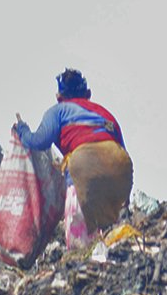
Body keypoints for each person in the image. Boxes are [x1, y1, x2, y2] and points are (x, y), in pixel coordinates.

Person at [15, 69, 133, 237]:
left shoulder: (59, 111)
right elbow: (122, 151)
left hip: (84, 167)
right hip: (120, 169)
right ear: (88, 94)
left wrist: (22, 130)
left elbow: (38, 142)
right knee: (112, 235)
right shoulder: (105, 114)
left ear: (59, 97)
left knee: (81, 245)